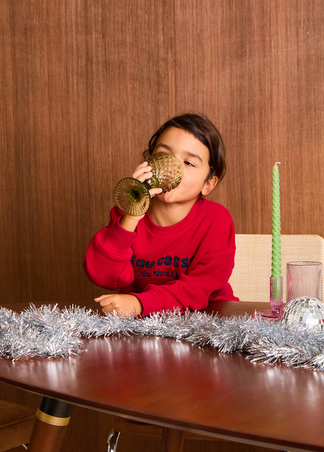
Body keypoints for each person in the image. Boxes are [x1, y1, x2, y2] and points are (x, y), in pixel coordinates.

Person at [83, 113, 238, 316]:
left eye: (188, 163)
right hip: (145, 323)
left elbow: (197, 289)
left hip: (209, 317)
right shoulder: (128, 213)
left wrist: (140, 303)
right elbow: (103, 276)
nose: (170, 167)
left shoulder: (216, 220)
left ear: (208, 184)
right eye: (164, 154)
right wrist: (132, 213)